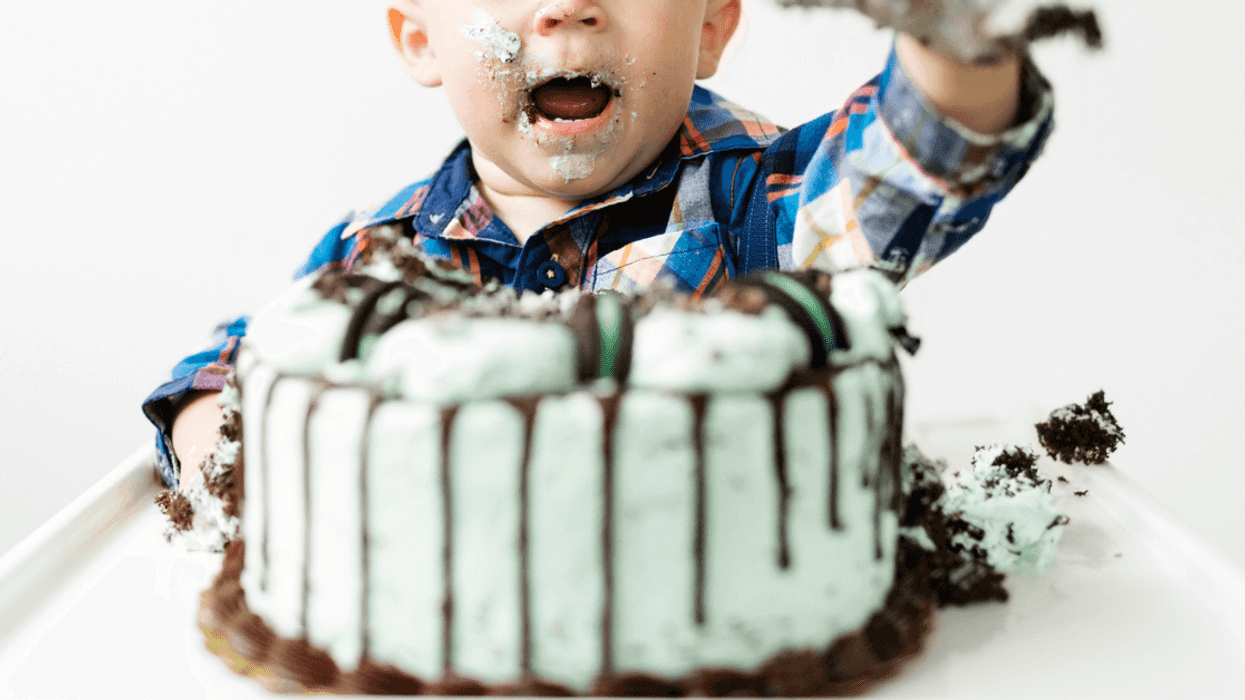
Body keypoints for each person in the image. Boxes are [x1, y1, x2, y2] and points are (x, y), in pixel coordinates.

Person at [145, 0, 1056, 491]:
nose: (567, 7)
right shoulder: (381, 255)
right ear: (420, 40)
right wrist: (233, 452)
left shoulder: (764, 208)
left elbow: (918, 158)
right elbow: (231, 370)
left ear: (709, 27)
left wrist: (955, 36)